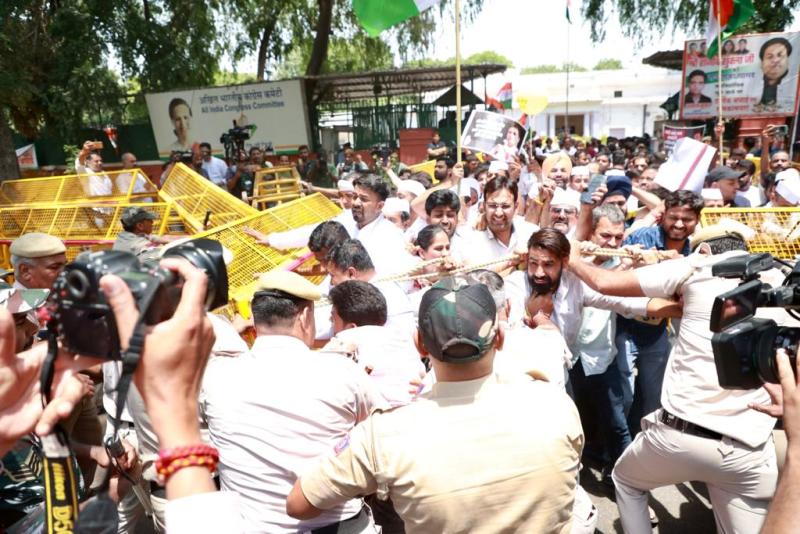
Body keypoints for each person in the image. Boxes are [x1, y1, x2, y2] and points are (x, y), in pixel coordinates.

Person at [287, 279, 585, 533]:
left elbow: (299, 503)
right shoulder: (555, 405)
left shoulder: (385, 435)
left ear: (420, 343)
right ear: (500, 338)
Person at [568, 227, 780, 533]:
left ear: (704, 250)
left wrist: (573, 258)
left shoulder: (697, 266)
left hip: (679, 438)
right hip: (751, 450)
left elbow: (603, 283)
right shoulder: (777, 278)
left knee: (625, 480)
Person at [200, 269, 384, 533]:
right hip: (340, 525)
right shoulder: (343, 372)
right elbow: (379, 434)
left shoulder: (214, 378)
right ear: (305, 316)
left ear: (255, 318)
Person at [112, 207, 177, 261]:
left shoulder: (126, 235)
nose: (152, 222)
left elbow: (160, 238)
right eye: (149, 220)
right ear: (140, 226)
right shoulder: (138, 244)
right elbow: (161, 252)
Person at [752, 37, 793, 112]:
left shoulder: (794, 85)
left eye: (780, 55)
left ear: (788, 61)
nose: (775, 60)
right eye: (770, 57)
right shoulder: (752, 86)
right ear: (761, 64)